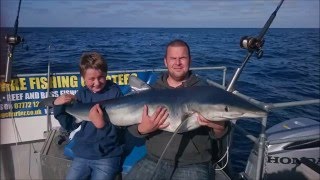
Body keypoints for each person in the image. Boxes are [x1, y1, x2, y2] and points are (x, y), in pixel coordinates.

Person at [125, 39, 229, 180]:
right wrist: (142, 129)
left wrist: (219, 127)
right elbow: (131, 124)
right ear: (165, 62)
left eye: (182, 58)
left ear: (190, 60)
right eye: (173, 58)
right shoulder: (152, 91)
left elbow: (219, 134)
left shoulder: (204, 91)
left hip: (194, 163)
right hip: (153, 159)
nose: (178, 63)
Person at [53, 52, 124, 180]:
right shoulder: (82, 94)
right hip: (82, 153)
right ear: (83, 78)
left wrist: (102, 126)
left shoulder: (114, 92)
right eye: (91, 79)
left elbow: (121, 128)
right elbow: (70, 125)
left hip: (107, 155)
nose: (97, 83)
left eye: (101, 77)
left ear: (106, 75)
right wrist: (57, 106)